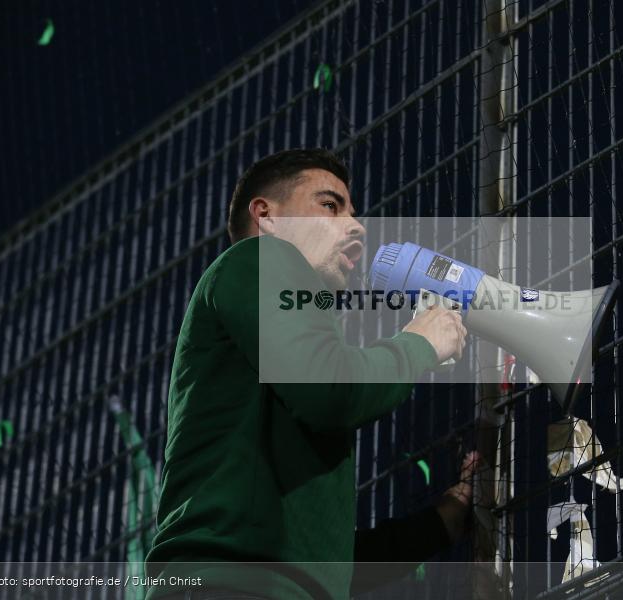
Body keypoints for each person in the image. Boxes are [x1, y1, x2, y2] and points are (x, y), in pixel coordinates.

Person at [144, 148, 474, 600]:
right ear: (266, 216)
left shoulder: (279, 345)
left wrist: (443, 520)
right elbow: (333, 391)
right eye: (329, 205)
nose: (356, 225)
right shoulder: (258, 257)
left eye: (354, 212)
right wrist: (420, 342)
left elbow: (321, 569)